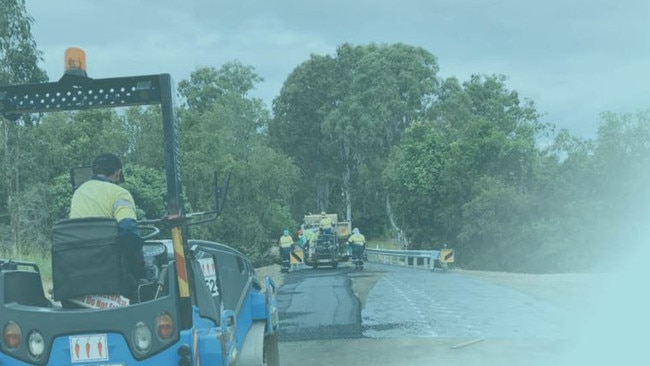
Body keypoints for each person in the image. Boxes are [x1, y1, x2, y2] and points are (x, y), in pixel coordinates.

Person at [69, 153, 145, 300]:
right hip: (110, 269)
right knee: (147, 272)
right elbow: (128, 229)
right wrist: (138, 261)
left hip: (79, 267)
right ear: (118, 174)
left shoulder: (79, 192)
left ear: (93, 172)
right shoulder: (119, 193)